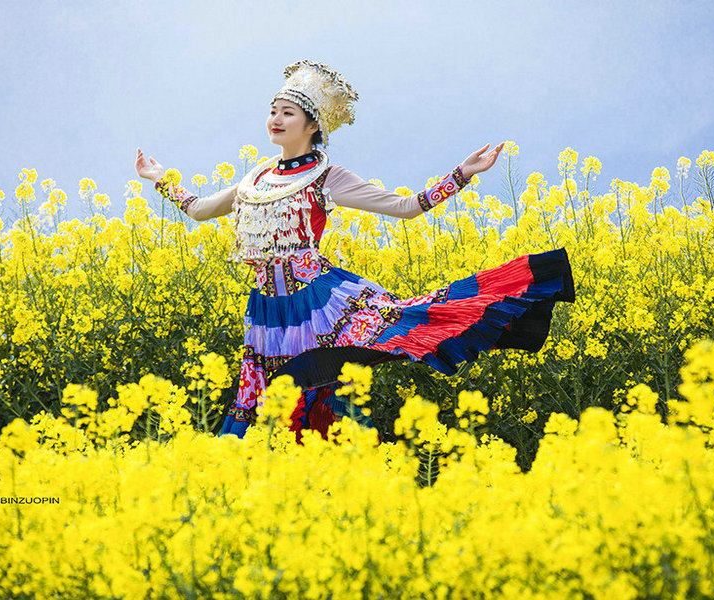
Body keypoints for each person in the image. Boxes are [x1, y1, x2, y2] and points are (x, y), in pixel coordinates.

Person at [135, 60, 574, 442]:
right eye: (272, 111)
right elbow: (200, 210)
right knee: (268, 404)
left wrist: (460, 175)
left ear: (312, 126)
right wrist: (160, 180)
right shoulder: (257, 177)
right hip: (267, 311)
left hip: (318, 302)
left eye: (287, 112)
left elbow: (405, 207)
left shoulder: (328, 177)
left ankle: (531, 282)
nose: (275, 119)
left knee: (312, 381)